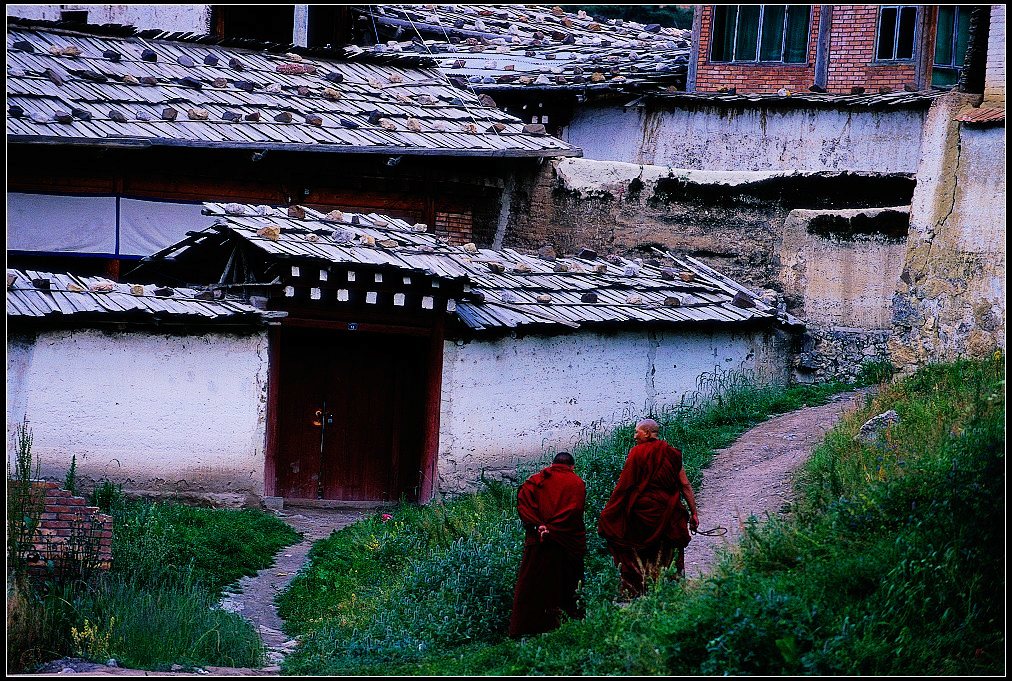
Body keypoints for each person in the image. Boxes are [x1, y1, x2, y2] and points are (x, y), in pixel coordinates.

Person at [598, 418, 699, 600]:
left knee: (640, 547)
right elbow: (685, 484)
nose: (634, 436)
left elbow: (624, 486)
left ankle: (641, 587)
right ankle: (671, 585)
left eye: (637, 432)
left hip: (644, 512)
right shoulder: (671, 453)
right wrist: (694, 513)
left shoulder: (637, 453)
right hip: (669, 510)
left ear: (646, 433)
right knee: (669, 546)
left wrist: (610, 512)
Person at [509, 451, 587, 638]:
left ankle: (525, 629)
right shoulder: (576, 483)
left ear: (552, 464)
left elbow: (523, 502)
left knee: (533, 584)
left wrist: (539, 525)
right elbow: (574, 510)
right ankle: (567, 623)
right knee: (566, 583)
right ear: (572, 467)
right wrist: (555, 528)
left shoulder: (535, 481)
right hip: (566, 542)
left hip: (539, 541)